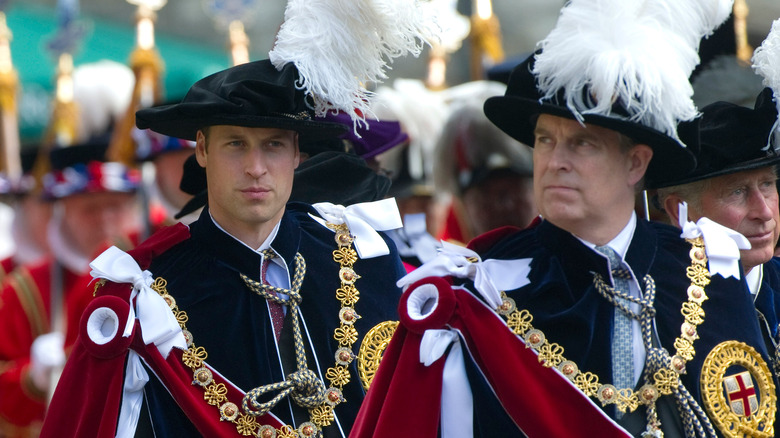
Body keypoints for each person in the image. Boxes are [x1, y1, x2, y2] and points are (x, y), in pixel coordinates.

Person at [352, 2, 776, 437]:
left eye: (583, 143)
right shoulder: (480, 293)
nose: (555, 161)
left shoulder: (707, 272)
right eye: (544, 140)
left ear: (635, 163)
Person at [40, 57, 408, 438]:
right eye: (236, 144)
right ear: (201, 149)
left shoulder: (366, 257)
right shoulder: (146, 298)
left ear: (297, 153)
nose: (255, 167)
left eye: (273, 145)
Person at [0, 136, 140, 437]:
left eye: (114, 206)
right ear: (62, 210)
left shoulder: (148, 265)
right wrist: (33, 376)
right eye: (90, 209)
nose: (104, 220)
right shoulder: (24, 289)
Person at [657, 89, 780, 373]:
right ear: (679, 211)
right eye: (737, 192)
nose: (763, 212)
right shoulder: (662, 309)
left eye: (767, 185)